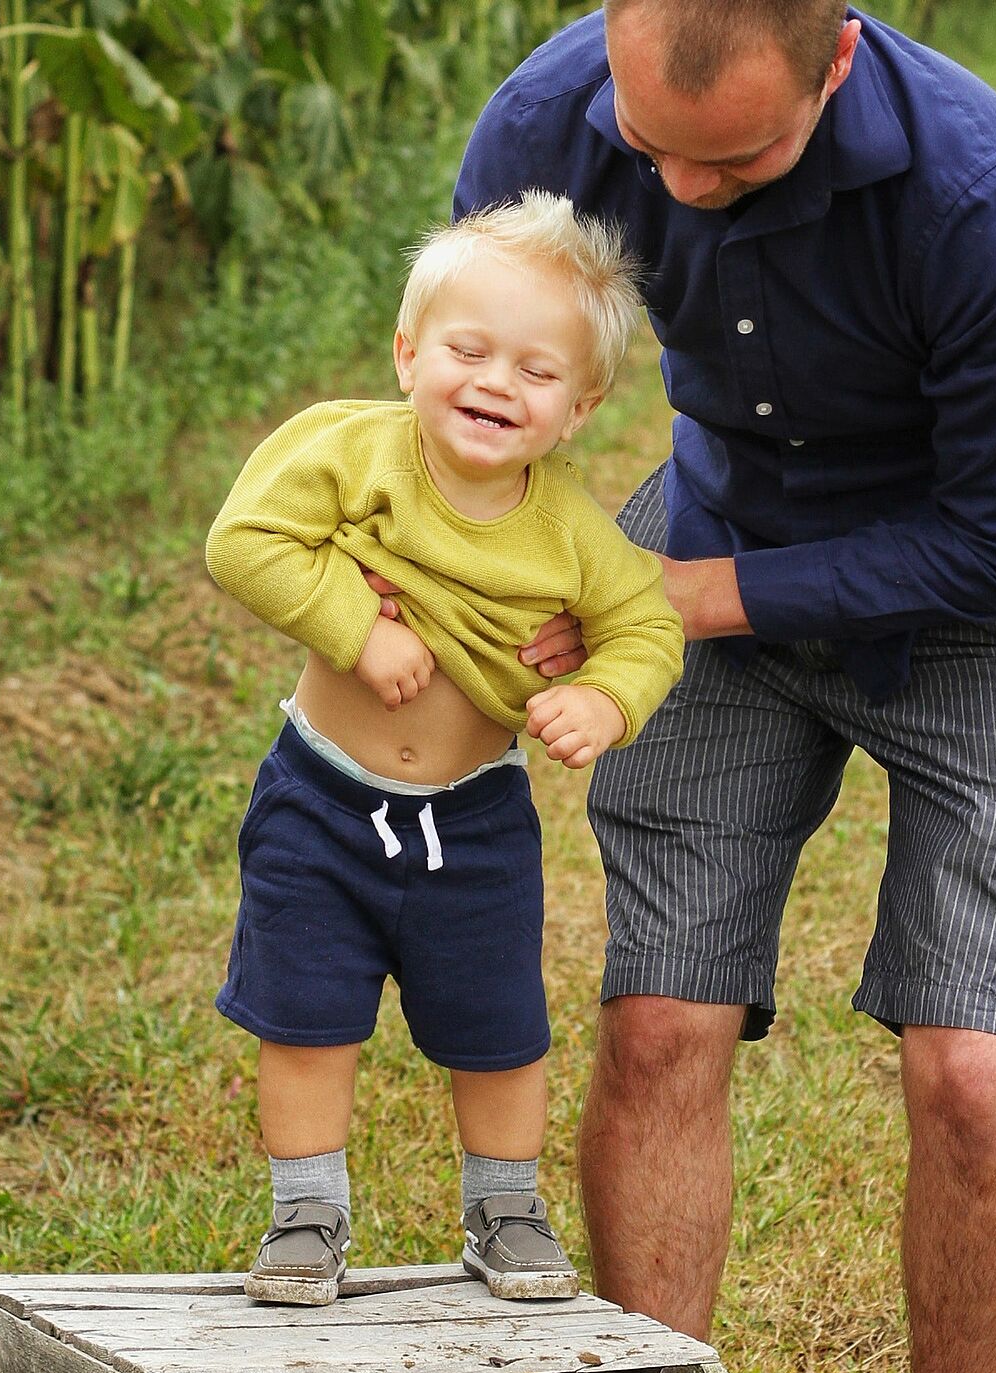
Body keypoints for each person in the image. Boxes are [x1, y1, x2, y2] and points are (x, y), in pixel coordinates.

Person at [455, 1, 996, 1373]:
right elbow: (481, 374)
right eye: (658, 155)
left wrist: (676, 597)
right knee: (657, 1020)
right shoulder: (546, 121)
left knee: (973, 1072)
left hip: (983, 597)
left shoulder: (981, 194)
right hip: (726, 517)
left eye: (741, 164)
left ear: (837, 57)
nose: (688, 196)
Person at [203, 192, 684, 1307]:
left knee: (500, 1027)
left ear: (578, 407)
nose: (494, 382)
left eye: (534, 369)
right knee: (305, 1013)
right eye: (468, 350)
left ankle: (504, 1208)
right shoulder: (351, 450)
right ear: (409, 351)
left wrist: (606, 701)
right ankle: (306, 1213)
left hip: (472, 820)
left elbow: (646, 624)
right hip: (321, 799)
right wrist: (355, 624)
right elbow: (245, 540)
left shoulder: (569, 527)